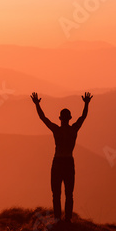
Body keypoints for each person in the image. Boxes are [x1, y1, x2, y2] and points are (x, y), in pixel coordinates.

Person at [30, 91, 93, 223]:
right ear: (69, 118)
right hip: (69, 161)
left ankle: (58, 218)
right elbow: (83, 117)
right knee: (69, 193)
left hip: (58, 162)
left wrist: (37, 105)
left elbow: (43, 118)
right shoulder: (73, 130)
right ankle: (67, 219)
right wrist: (86, 104)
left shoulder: (57, 130)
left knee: (56, 194)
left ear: (60, 118)